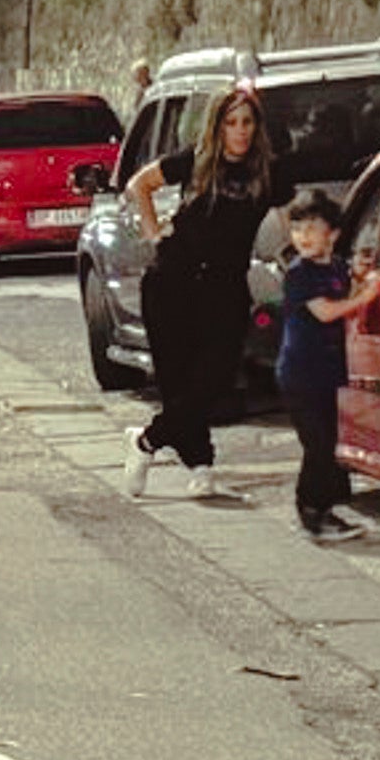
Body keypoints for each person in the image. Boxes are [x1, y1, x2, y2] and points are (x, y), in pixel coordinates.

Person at [127, 82, 274, 495]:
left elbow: (291, 214)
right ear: (218, 127)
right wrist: (154, 234)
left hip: (225, 287)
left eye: (247, 122)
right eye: (232, 123)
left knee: (214, 379)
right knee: (179, 381)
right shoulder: (196, 161)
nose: (240, 131)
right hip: (173, 281)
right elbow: (140, 185)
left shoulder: (266, 171)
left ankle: (146, 441)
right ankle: (201, 464)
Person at [274, 186, 377, 542]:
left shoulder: (333, 267)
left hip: (327, 371)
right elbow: (327, 311)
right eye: (297, 228)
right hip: (300, 373)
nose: (302, 236)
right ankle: (310, 510)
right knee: (316, 444)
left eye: (311, 228)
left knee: (330, 441)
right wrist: (365, 298)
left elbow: (342, 291)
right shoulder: (298, 274)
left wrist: (359, 278)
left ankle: (327, 508)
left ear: (332, 234)